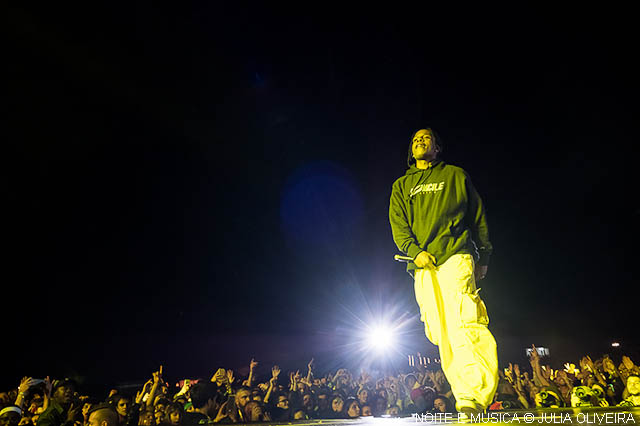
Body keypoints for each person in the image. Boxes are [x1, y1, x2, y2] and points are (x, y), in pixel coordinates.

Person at [389, 128, 499, 414]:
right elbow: (399, 226)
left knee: (463, 322)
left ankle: (472, 395)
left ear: (437, 147)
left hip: (455, 255)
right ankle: (465, 393)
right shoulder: (402, 185)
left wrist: (483, 255)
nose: (419, 142)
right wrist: (415, 252)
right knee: (439, 331)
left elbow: (478, 216)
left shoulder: (455, 176)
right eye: (414, 139)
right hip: (423, 265)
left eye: (426, 138)